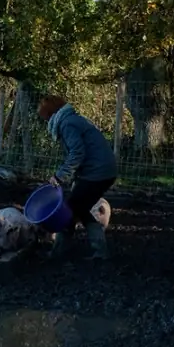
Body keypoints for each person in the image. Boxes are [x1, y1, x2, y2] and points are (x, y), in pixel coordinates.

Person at [36, 94, 117, 260]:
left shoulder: (67, 125)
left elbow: (77, 153)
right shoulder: (72, 120)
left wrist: (59, 176)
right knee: (77, 208)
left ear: (50, 114)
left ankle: (62, 251)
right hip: (103, 170)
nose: (45, 121)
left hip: (97, 173)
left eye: (45, 117)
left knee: (70, 209)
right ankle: (93, 250)